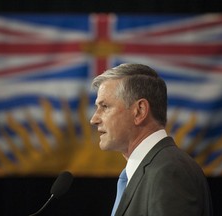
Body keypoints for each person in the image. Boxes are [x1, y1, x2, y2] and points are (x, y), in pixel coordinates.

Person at [90, 63, 213, 216]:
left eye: (105, 106)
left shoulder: (169, 171)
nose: (94, 119)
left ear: (139, 111)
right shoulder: (151, 169)